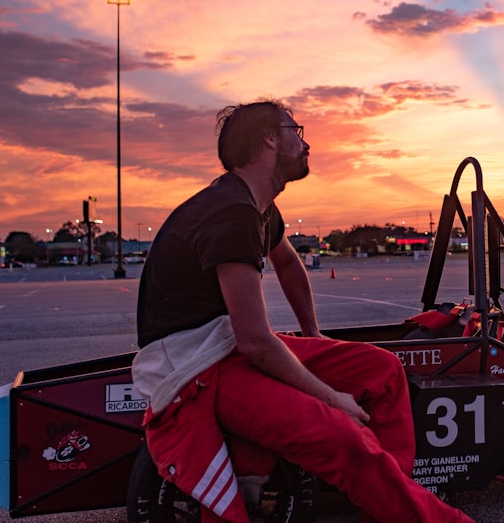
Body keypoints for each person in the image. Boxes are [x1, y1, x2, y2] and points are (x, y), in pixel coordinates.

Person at [131, 100, 473, 522]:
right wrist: (332, 398)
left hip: (227, 345)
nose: (306, 142)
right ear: (270, 139)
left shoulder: (257, 208)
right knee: (341, 434)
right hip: (196, 365)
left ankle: (385, 498)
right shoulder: (231, 214)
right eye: (298, 130)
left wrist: (312, 334)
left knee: (382, 372)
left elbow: (289, 263)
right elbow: (256, 341)